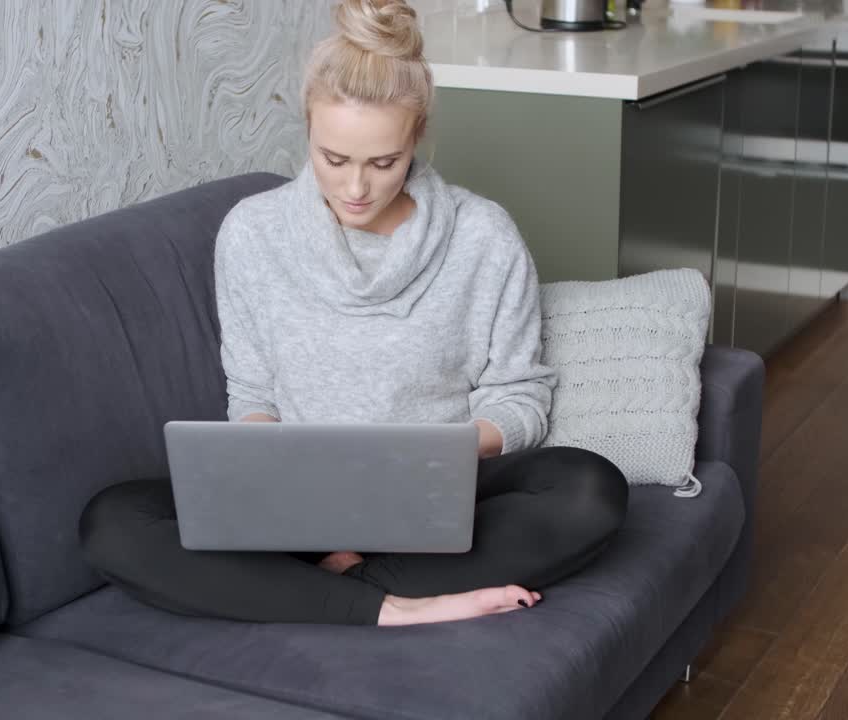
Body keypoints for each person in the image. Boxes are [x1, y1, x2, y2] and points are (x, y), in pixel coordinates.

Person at [79, 0, 628, 627]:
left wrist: (436, 456)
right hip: (295, 501)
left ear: (417, 135)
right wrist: (258, 458)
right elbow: (253, 388)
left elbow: (519, 398)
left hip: (433, 501)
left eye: (383, 162)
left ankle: (307, 593)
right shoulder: (252, 234)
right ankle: (396, 607)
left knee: (590, 488)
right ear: (308, 129)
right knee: (113, 520)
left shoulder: (484, 237)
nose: (356, 188)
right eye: (333, 159)